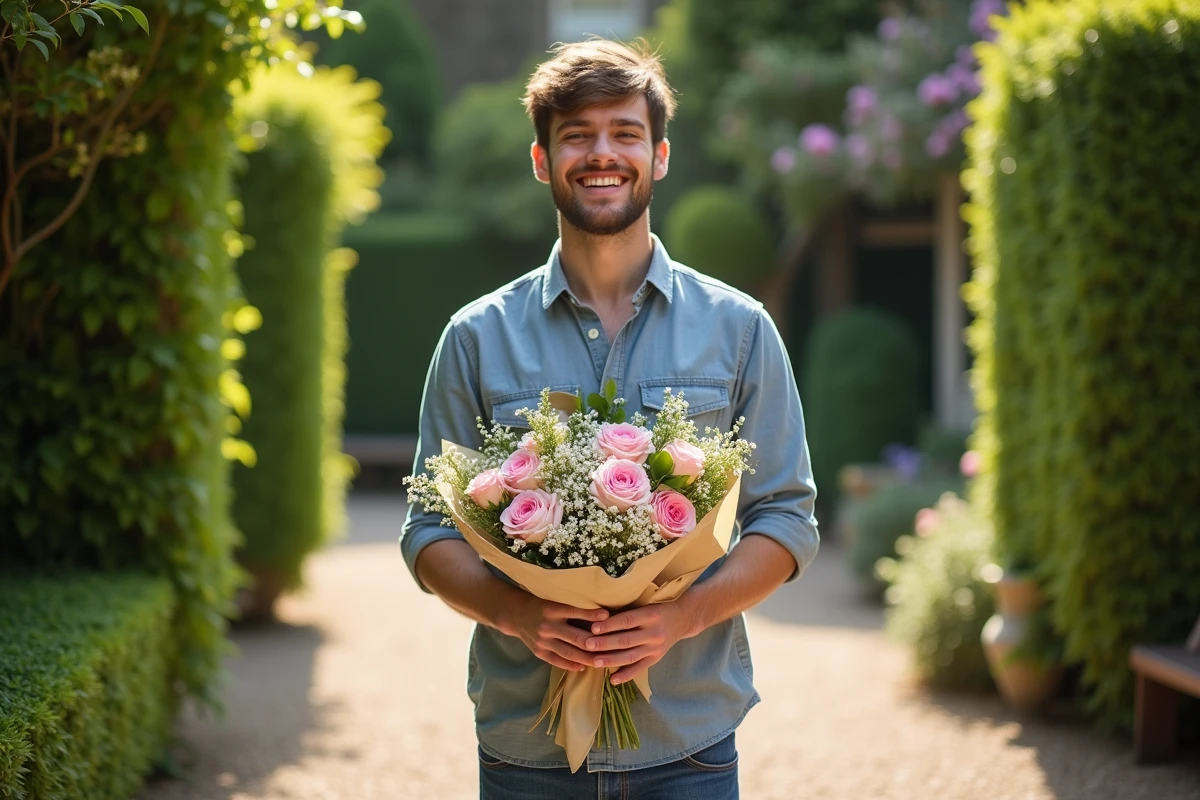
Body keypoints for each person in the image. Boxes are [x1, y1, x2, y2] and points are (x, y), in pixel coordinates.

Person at [401, 38, 819, 800]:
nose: (602, 154)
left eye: (625, 133)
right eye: (577, 135)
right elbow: (427, 530)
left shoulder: (741, 328)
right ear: (542, 160)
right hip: (525, 748)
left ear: (659, 156)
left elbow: (787, 518)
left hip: (686, 745)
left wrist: (682, 617)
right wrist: (519, 613)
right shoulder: (474, 336)